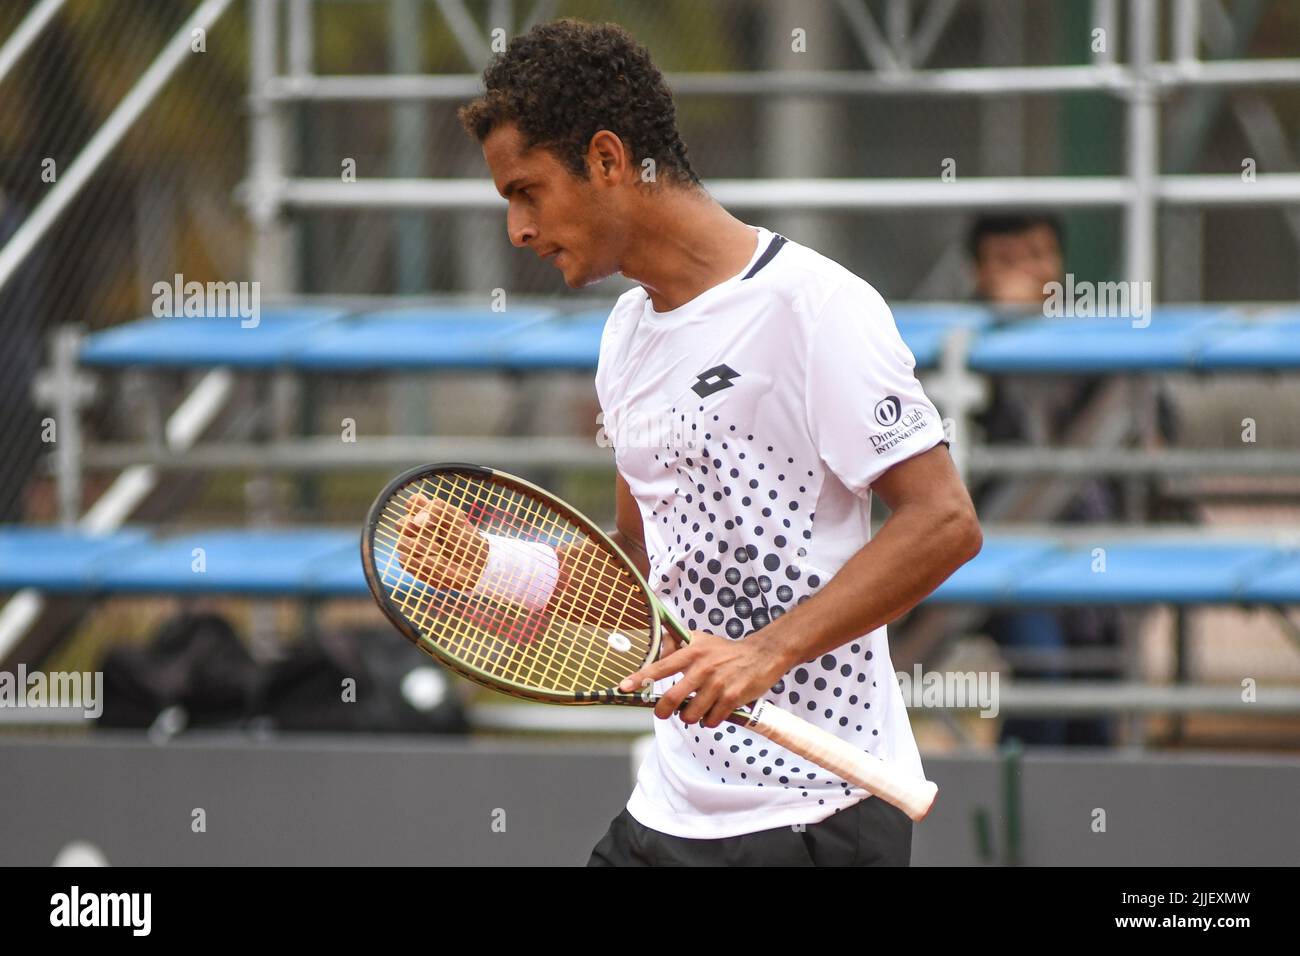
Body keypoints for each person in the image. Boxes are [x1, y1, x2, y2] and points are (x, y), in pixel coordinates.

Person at [442, 18, 981, 866]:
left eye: (527, 191)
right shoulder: (624, 335)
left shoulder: (815, 307)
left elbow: (945, 523)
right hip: (667, 815)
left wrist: (766, 653)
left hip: (817, 816)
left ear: (610, 161)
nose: (517, 227)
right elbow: (632, 560)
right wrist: (488, 567)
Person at [967, 214, 1128, 747]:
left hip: (1094, 550)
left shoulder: (1098, 343)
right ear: (978, 274)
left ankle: (1091, 820)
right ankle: (1019, 809)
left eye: (1037, 257)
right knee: (1044, 672)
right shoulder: (958, 353)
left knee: (1098, 696)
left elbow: (1152, 433)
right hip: (999, 552)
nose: (1027, 275)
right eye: (1006, 261)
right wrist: (1010, 338)